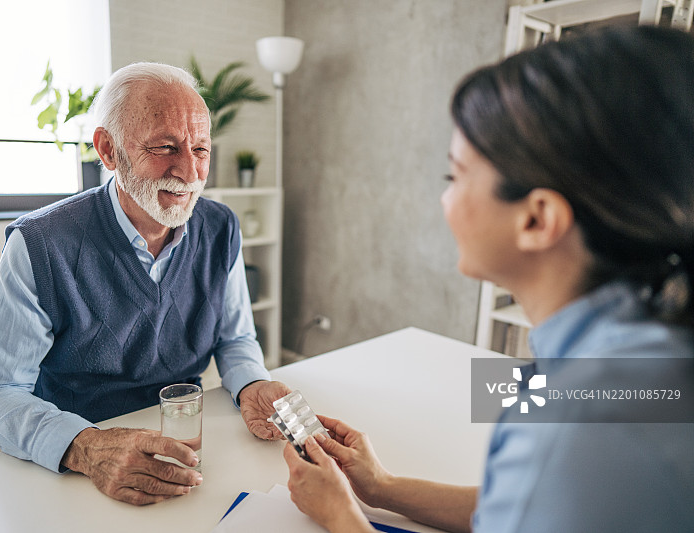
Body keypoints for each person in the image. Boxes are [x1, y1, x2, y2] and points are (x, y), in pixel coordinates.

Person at [283, 25, 694, 532]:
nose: (444, 201)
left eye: (454, 177)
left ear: (537, 220)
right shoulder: (644, 352)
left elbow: (548, 480)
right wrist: (381, 487)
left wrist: (340, 515)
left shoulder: (574, 432)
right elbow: (523, 506)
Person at [0, 62, 290, 506]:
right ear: (108, 150)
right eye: (165, 147)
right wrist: (86, 447)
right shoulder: (40, 243)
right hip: (74, 467)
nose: (190, 173)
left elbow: (234, 337)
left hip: (182, 454)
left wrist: (252, 383)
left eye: (200, 149)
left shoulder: (221, 227)